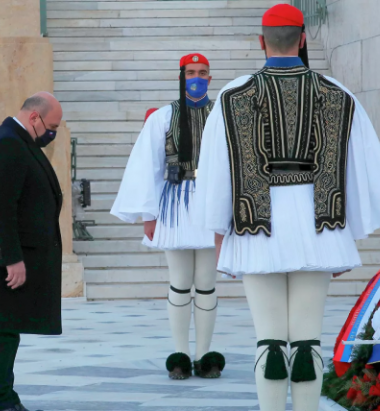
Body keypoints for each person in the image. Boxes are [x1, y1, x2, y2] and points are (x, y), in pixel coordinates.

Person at [195, 4, 380, 411]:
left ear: (260, 42)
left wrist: (217, 235)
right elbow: (359, 167)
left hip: (254, 227)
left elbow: (217, 173)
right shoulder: (337, 94)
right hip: (319, 227)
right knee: (309, 338)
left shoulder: (231, 96)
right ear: (304, 39)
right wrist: (347, 234)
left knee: (270, 340)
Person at [111, 54, 225, 380]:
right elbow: (148, 167)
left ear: (210, 77)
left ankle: (205, 356)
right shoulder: (162, 117)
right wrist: (149, 214)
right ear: (181, 76)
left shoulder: (222, 115)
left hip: (210, 204)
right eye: (191, 72)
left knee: (206, 283)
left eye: (203, 72)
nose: (197, 78)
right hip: (175, 204)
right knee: (179, 282)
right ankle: (180, 355)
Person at [0, 92, 63, 411]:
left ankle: (4, 398)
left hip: (12, 256)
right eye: (52, 126)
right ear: (34, 117)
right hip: (3, 260)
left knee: (7, 330)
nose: (53, 133)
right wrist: (12, 258)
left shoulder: (18, 140)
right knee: (2, 332)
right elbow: (1, 208)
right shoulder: (8, 143)